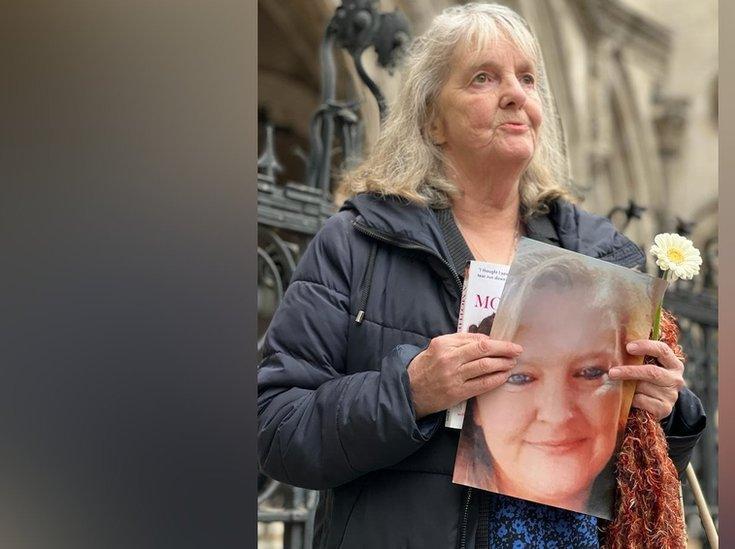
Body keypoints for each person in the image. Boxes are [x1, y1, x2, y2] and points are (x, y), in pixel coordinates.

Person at [257, 4, 706, 548]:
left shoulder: (602, 257)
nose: (516, 94)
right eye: (483, 78)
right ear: (431, 121)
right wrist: (409, 392)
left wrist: (665, 414)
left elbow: (643, 482)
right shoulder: (358, 242)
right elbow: (276, 427)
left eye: (528, 78)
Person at [454, 245, 654, 519]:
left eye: (591, 373)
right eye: (520, 377)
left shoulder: (642, 523)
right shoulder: (434, 517)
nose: (557, 413)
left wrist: (667, 422)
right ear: (475, 404)